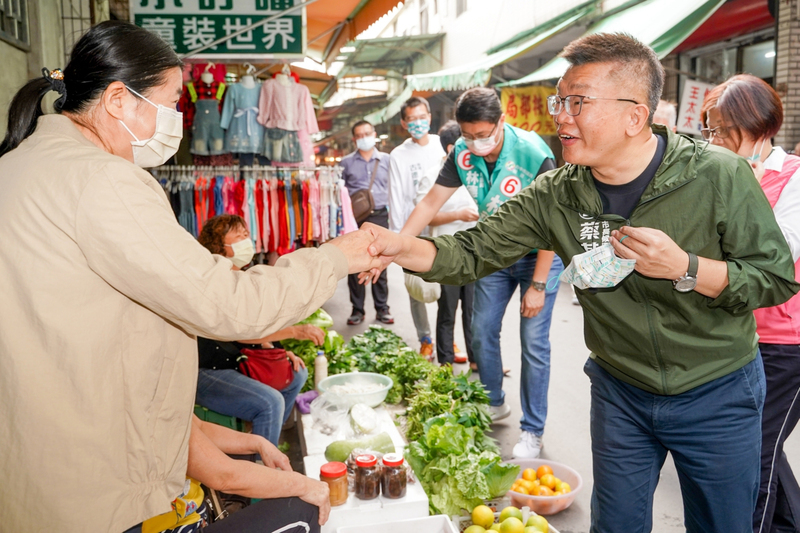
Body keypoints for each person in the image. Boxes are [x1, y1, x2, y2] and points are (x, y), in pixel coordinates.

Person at [361, 33, 800, 532]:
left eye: (578, 102)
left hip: (716, 391)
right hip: (621, 391)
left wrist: (687, 267)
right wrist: (400, 246)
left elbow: (774, 278)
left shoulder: (719, 176)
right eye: (559, 100)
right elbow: (472, 250)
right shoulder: (555, 192)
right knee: (614, 526)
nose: (560, 116)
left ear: (636, 116)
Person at [0, 21, 379, 533]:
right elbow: (229, 305)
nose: (178, 118)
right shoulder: (103, 181)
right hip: (99, 492)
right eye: (171, 100)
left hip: (35, 473)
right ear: (118, 100)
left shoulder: (18, 167)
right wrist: (333, 258)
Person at [394, 87, 563, 459]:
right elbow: (429, 203)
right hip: (496, 253)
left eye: (483, 135)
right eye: (468, 135)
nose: (475, 142)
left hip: (541, 256)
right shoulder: (462, 154)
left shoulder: (534, 153)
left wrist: (537, 284)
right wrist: (397, 243)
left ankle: (532, 430)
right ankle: (494, 400)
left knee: (534, 344)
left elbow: (555, 222)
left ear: (501, 122)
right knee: (481, 329)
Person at [701, 74, 800, 533]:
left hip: (786, 343)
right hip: (736, 336)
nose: (715, 140)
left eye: (724, 130)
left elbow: (778, 250)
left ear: (759, 127)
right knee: (758, 445)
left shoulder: (794, 178)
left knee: (753, 451)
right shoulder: (717, 175)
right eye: (711, 130)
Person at [196, 214, 322, 446]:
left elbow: (256, 328)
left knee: (296, 374)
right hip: (207, 371)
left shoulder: (243, 276)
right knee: (270, 402)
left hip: (236, 360)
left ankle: (264, 440)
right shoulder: (217, 281)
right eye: (240, 235)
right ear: (219, 245)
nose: (247, 239)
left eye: (247, 234)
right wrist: (296, 331)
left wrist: (277, 351)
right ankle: (260, 467)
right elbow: (243, 332)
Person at [137, 415, 329, 533]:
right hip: (174, 528)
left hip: (193, 512)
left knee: (243, 451)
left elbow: (199, 428)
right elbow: (223, 476)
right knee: (304, 510)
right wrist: (304, 484)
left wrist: (258, 443)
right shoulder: (142, 406)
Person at [417, 120, 479, 366]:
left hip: (476, 252)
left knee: (474, 312)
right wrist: (457, 215)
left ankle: (477, 360)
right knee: (447, 312)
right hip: (446, 253)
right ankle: (445, 363)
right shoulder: (432, 176)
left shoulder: (475, 171)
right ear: (453, 147)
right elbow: (425, 215)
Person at [387, 96, 446, 357]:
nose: (418, 123)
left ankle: (448, 337)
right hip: (415, 228)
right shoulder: (398, 155)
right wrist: (399, 238)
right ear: (404, 123)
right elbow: (396, 196)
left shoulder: (442, 145)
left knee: (450, 285)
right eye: (412, 119)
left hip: (445, 226)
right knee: (416, 286)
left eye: (422, 117)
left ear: (430, 118)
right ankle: (425, 338)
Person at [340, 120, 393, 326]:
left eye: (367, 133)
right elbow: (341, 194)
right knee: (354, 264)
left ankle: (382, 309)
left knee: (381, 262)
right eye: (359, 135)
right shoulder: (345, 163)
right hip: (355, 219)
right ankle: (357, 309)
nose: (364, 138)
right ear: (354, 139)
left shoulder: (387, 160)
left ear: (374, 134)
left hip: (380, 216)